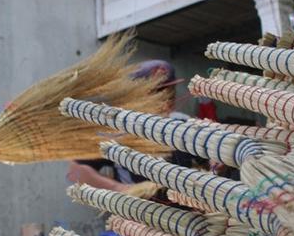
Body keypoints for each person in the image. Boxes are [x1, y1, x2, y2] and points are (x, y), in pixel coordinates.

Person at [66, 60, 206, 191]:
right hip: (134, 213)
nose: (166, 99)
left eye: (170, 91)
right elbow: (76, 171)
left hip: (183, 214)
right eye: (156, 93)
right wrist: (121, 189)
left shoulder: (185, 125)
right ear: (136, 96)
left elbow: (207, 162)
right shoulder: (116, 132)